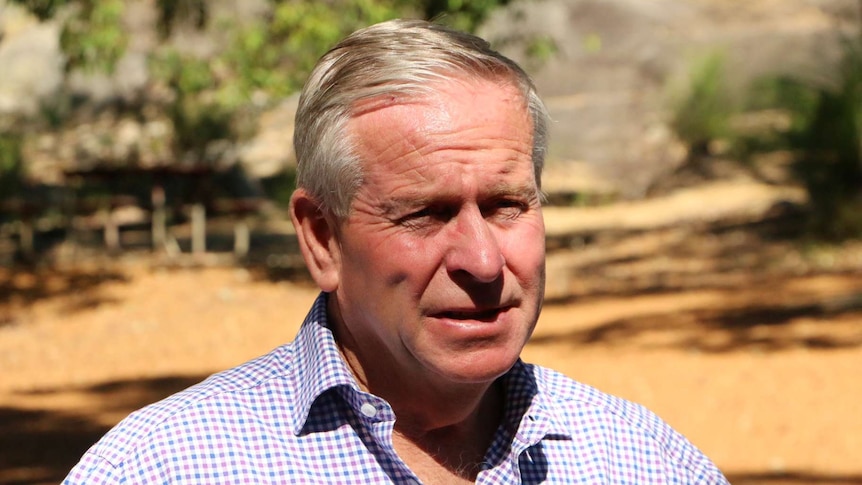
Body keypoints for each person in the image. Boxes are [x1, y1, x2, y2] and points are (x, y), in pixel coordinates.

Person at [64, 19, 728, 484]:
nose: (484, 261)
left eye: (506, 205)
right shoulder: (165, 468)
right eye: (425, 213)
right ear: (322, 239)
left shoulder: (641, 461)